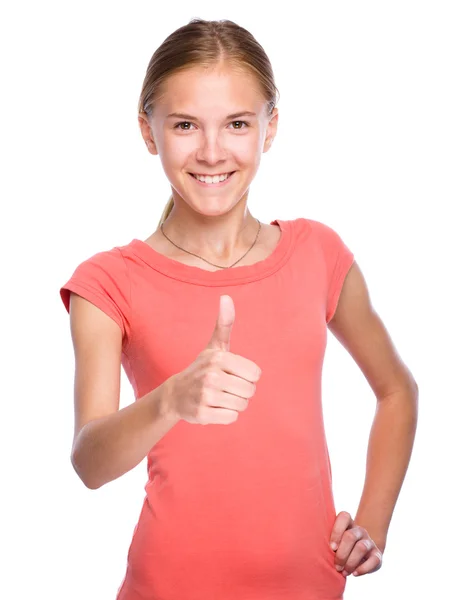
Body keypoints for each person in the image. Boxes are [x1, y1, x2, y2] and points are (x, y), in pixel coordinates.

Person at [59, 18, 419, 600]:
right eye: (183, 125)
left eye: (236, 124)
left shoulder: (318, 254)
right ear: (148, 132)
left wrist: (372, 524)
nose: (211, 151)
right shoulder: (108, 282)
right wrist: (173, 398)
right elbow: (89, 463)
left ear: (269, 128)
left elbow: (397, 391)